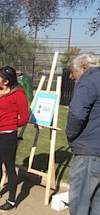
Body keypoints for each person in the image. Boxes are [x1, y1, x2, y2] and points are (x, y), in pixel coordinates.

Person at [0, 66, 29, 212]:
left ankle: (12, 200)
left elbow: (25, 118)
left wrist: (10, 125)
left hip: (7, 135)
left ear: (7, 81)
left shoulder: (18, 95)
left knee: (9, 167)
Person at [66, 53, 100, 215]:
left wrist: (71, 136)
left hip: (88, 151)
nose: (71, 76)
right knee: (96, 203)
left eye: (73, 71)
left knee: (80, 201)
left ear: (84, 68)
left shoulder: (88, 81)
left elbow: (77, 114)